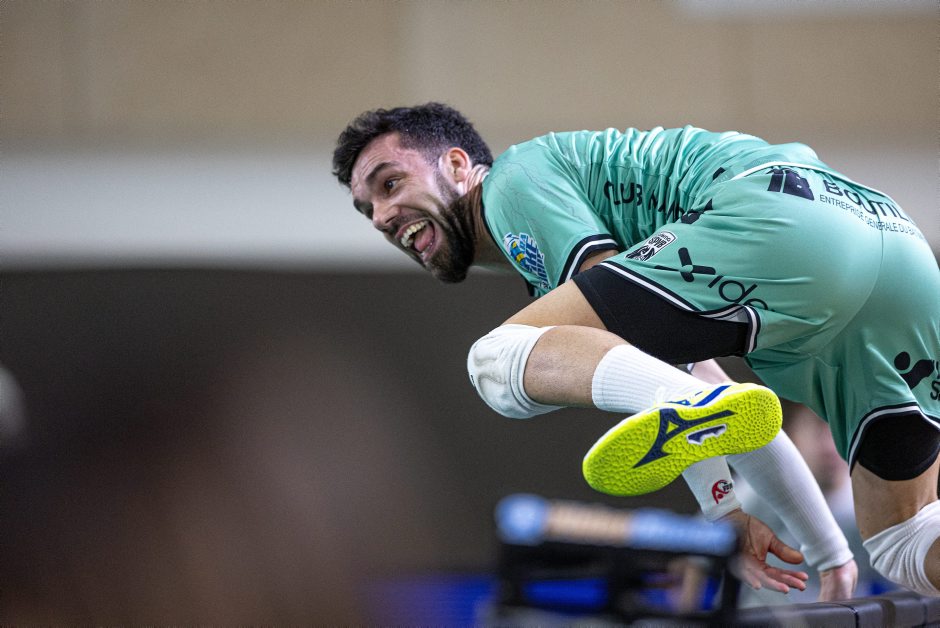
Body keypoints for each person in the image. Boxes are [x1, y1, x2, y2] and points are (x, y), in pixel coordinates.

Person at [332, 103, 939, 598]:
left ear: (458, 165)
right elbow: (725, 404)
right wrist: (828, 555)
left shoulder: (513, 183)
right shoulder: (564, 225)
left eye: (390, 183)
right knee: (902, 543)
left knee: (495, 358)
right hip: (896, 246)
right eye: (367, 209)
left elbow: (666, 368)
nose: (382, 217)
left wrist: (712, 480)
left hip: (779, 214)